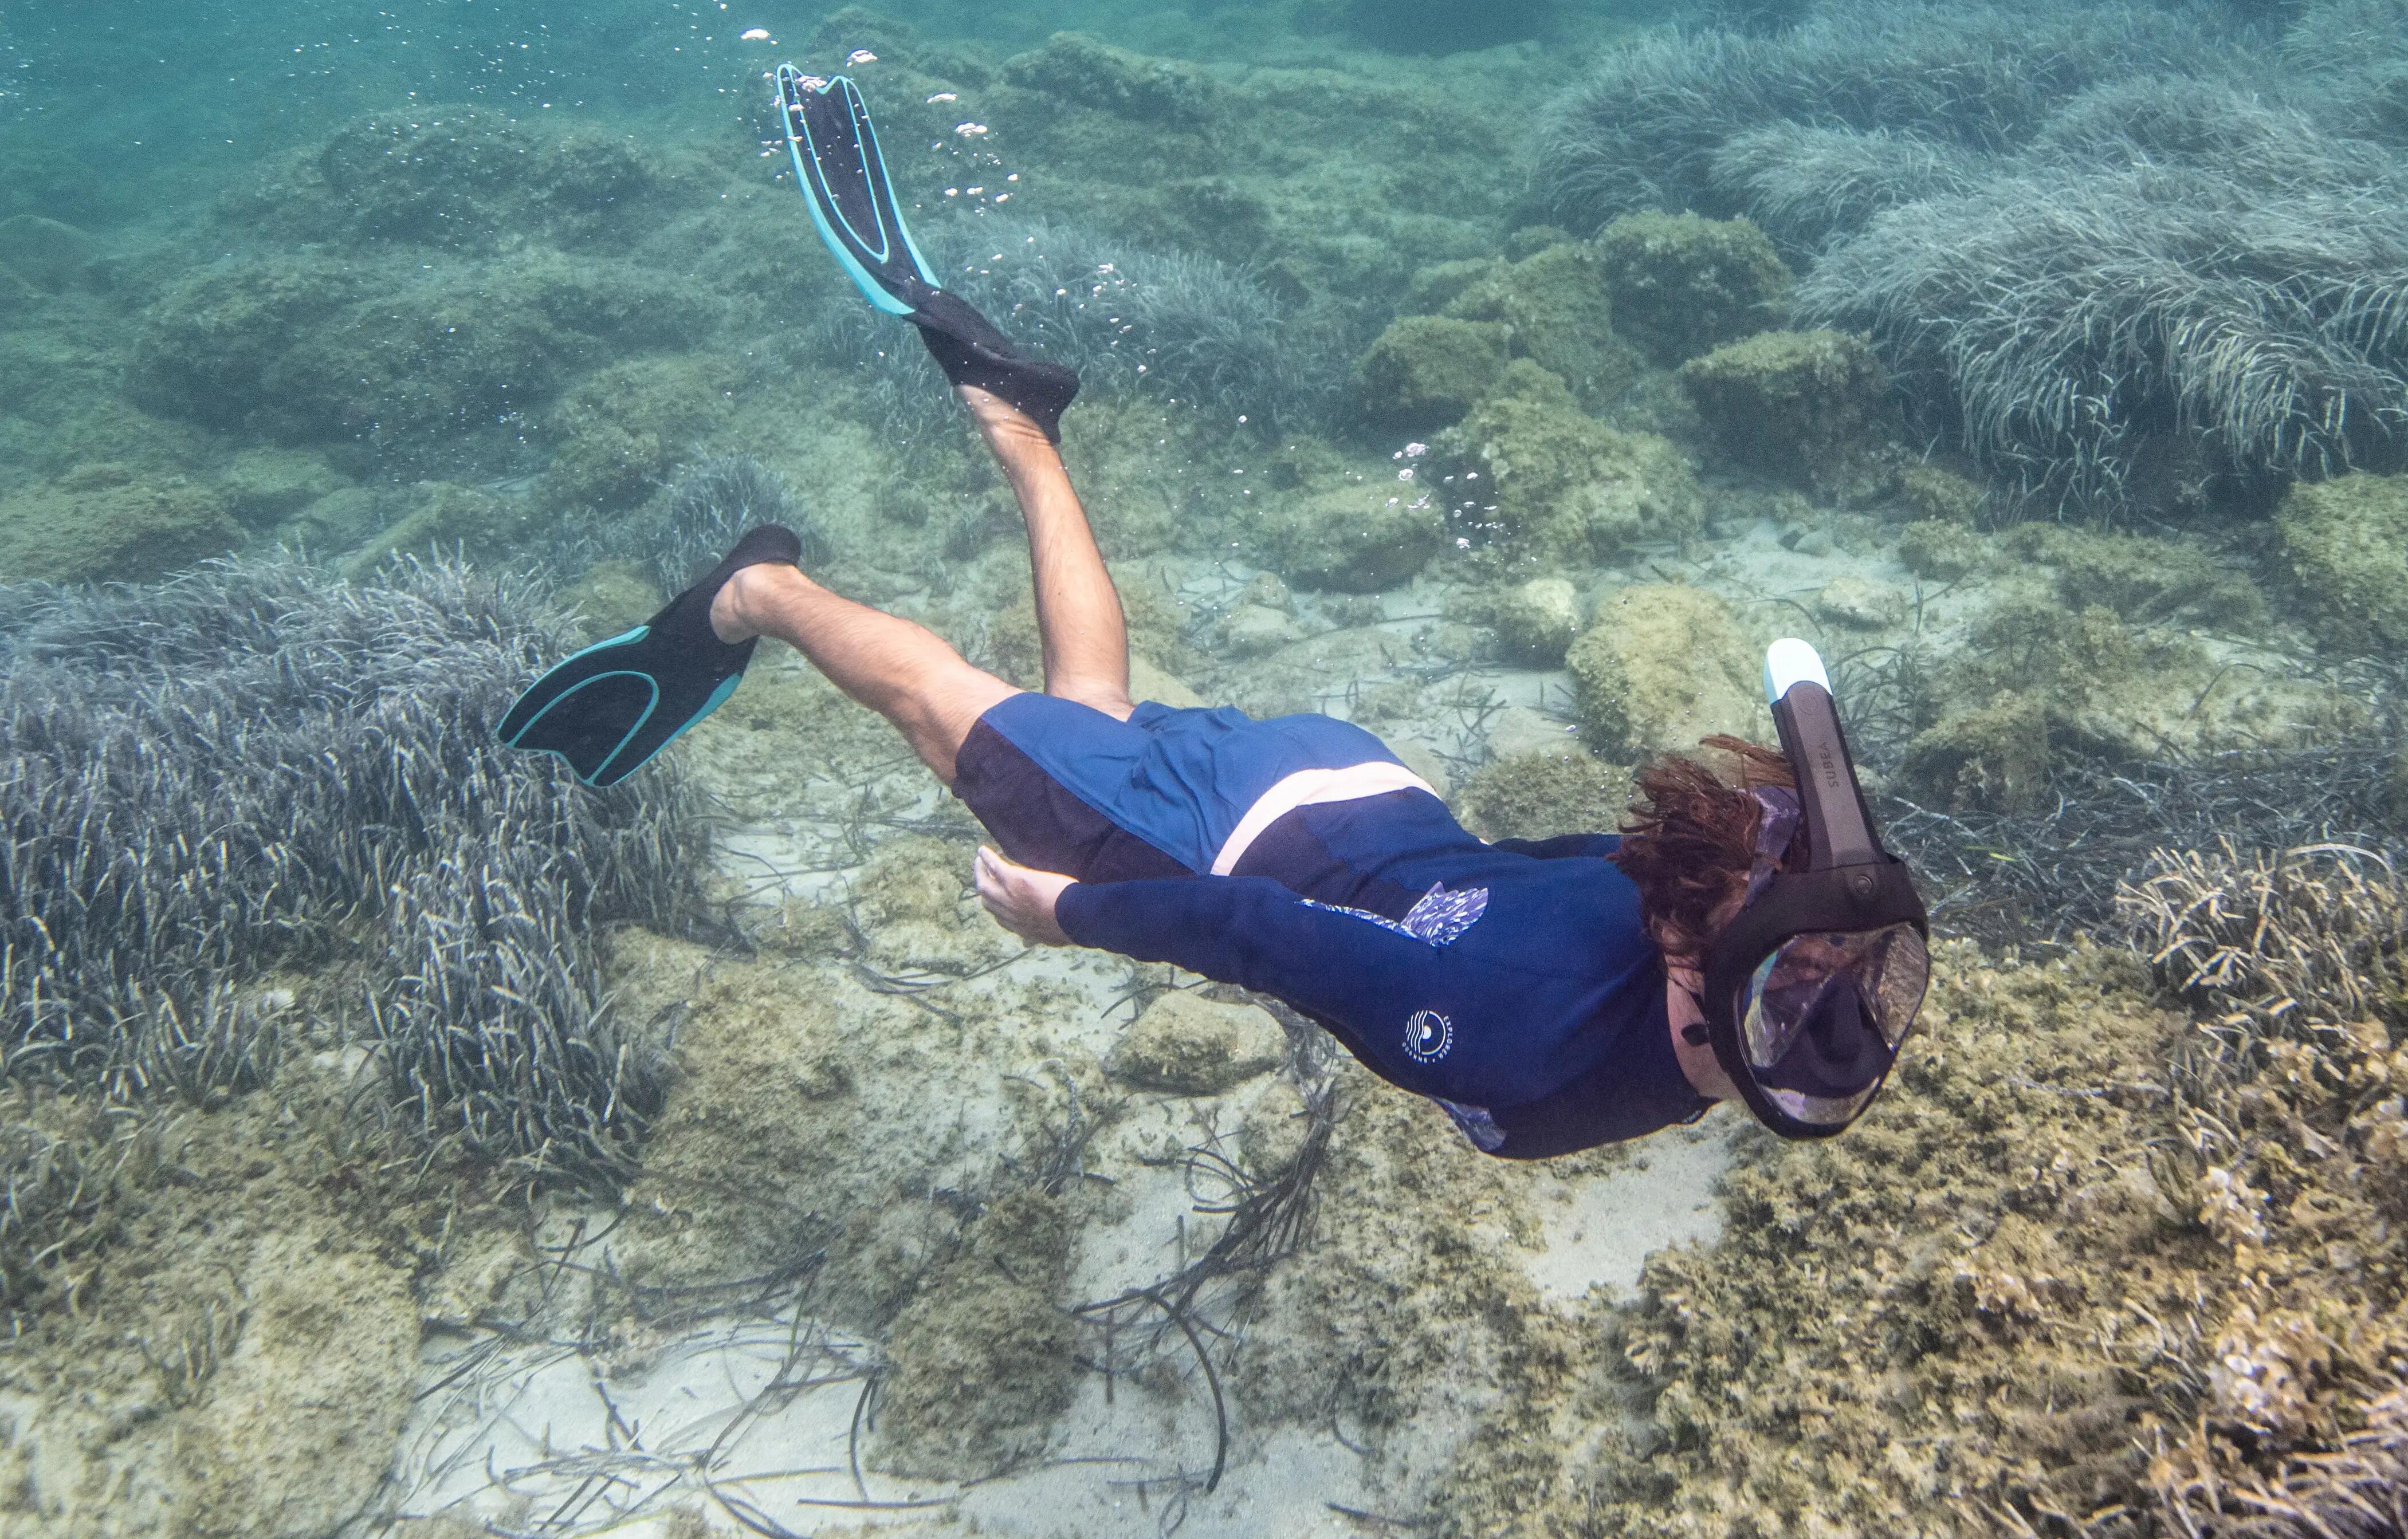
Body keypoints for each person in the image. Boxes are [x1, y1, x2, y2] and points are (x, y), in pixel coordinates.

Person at [497, 67, 1931, 1157]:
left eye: (1853, 986)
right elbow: (1264, 936)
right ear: (1690, 953)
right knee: (965, 729)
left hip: (1354, 786)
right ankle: (759, 588)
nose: (1829, 1025)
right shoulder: (1505, 1034)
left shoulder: (1688, 916)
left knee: (1089, 725)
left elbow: (1564, 857)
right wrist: (1075, 915)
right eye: (1796, 990)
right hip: (1234, 848)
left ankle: (1018, 422)